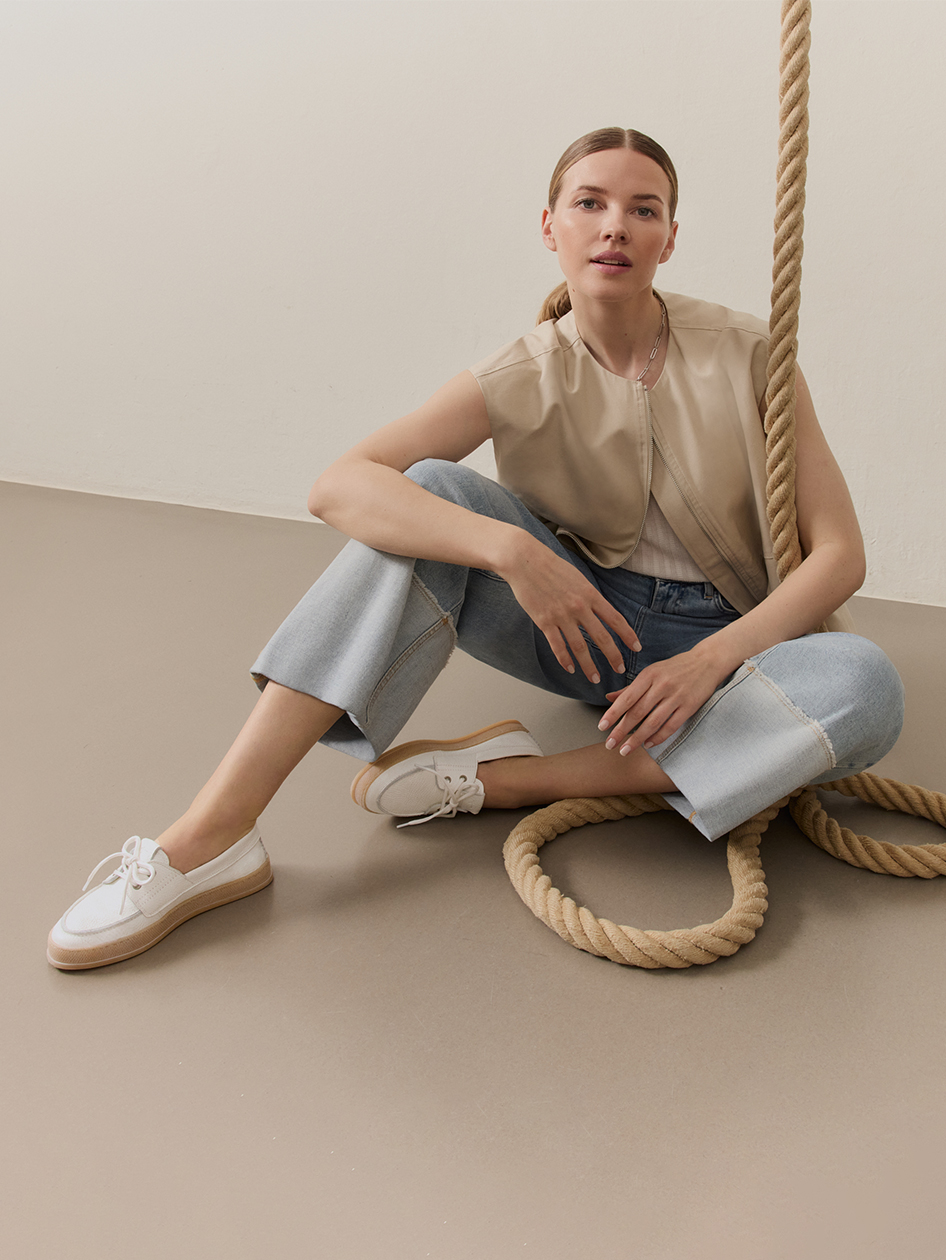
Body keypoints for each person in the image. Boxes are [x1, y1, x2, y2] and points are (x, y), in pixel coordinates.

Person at [47, 128, 904, 971]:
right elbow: (340, 484)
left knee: (864, 684)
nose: (615, 225)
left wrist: (708, 662)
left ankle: (513, 780)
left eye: (644, 209)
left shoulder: (752, 351)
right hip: (587, 628)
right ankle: (210, 838)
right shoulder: (522, 371)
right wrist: (513, 553)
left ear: (670, 238)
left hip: (736, 648)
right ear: (551, 227)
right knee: (431, 486)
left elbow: (840, 556)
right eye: (590, 203)